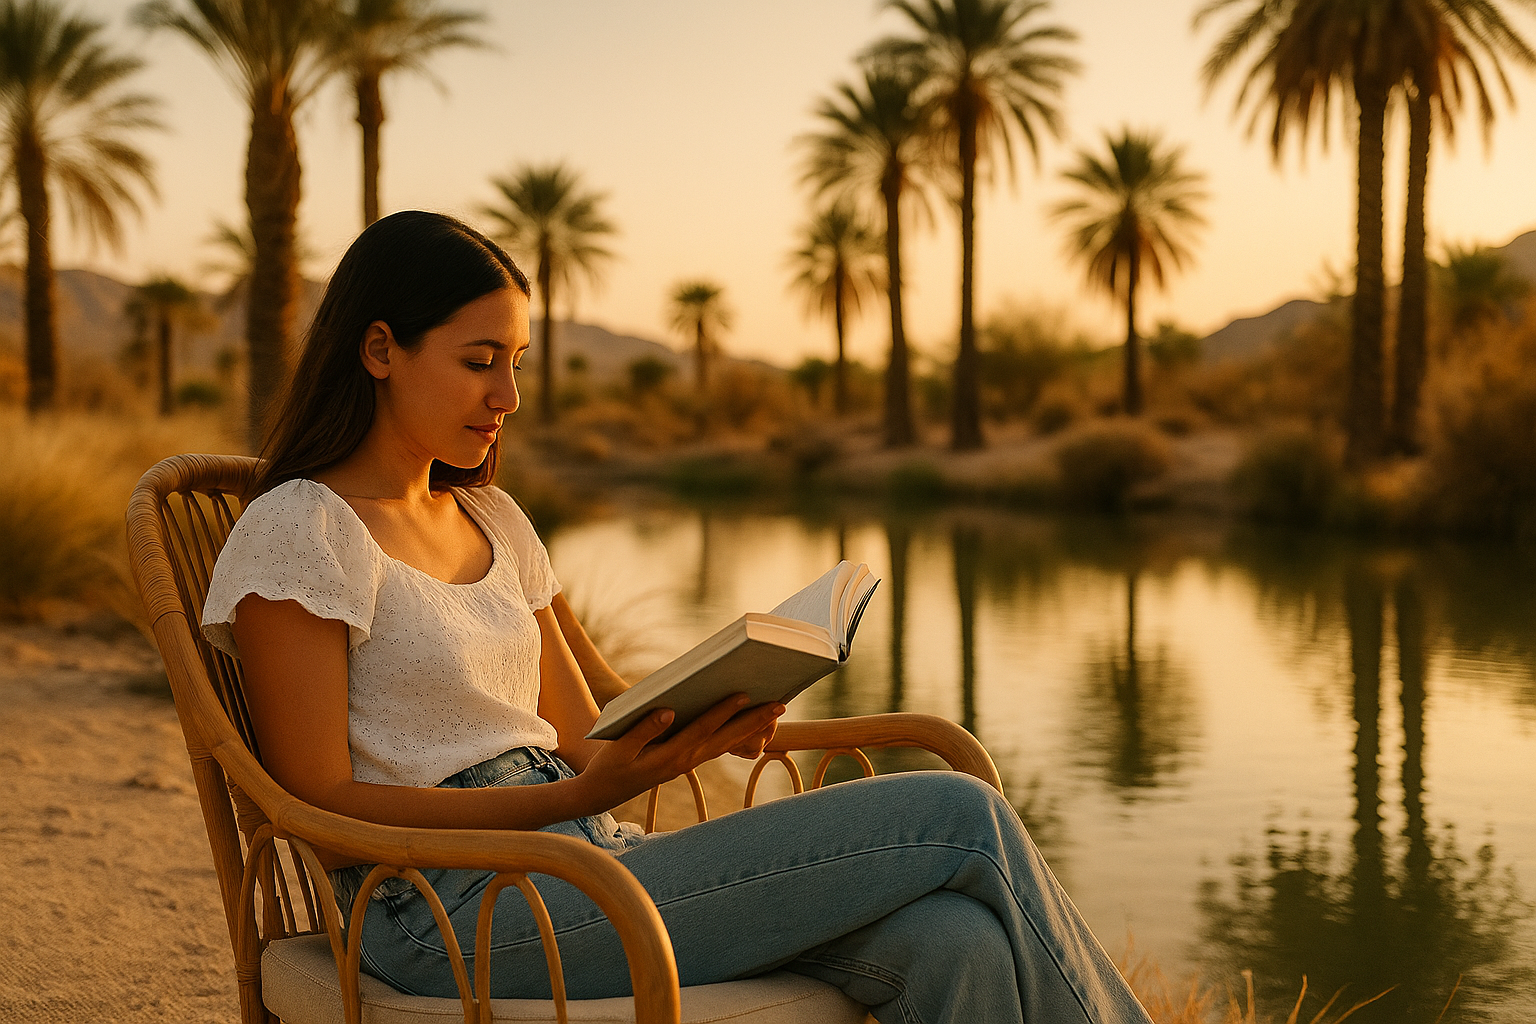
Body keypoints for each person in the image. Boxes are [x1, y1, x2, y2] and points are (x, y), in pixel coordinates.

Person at [200, 211, 1154, 1024]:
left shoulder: (492, 516)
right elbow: (317, 803)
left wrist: (702, 719)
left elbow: (585, 735)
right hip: (444, 908)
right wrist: (571, 800)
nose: (510, 397)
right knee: (957, 813)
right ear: (379, 350)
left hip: (583, 863)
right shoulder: (302, 528)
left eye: (518, 362)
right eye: (479, 361)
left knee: (953, 943)